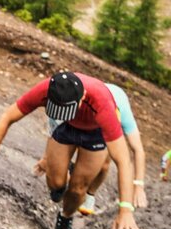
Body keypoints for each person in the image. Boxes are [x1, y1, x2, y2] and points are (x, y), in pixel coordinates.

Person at [0, 71, 141, 229]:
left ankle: (65, 216)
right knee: (56, 184)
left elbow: (124, 161)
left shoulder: (102, 104)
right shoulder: (46, 90)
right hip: (65, 128)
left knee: (78, 189)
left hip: (94, 134)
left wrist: (125, 210)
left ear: (83, 97)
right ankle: (62, 180)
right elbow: (7, 117)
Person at [34, 83, 148, 215]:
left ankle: (90, 194)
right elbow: (54, 125)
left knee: (104, 165)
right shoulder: (75, 99)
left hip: (104, 121)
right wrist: (46, 157)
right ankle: (68, 174)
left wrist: (139, 185)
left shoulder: (121, 111)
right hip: (91, 108)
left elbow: (138, 149)